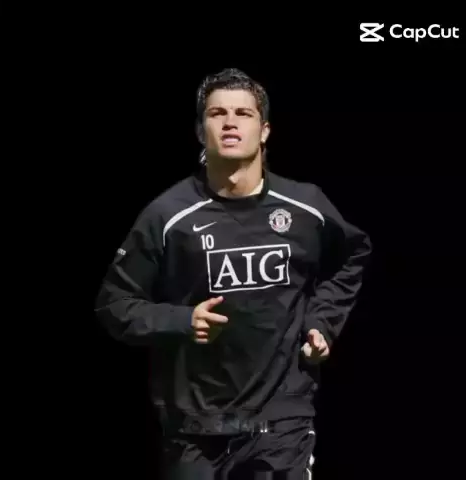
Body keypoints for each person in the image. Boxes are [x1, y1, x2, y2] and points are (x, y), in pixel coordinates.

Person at [94, 68, 372, 479]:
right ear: (200, 130)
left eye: (243, 113)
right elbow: (114, 304)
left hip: (282, 421)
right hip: (195, 426)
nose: (229, 122)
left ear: (264, 130)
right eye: (217, 113)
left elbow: (352, 256)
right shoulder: (167, 216)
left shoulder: (305, 206)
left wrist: (321, 322)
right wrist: (181, 320)